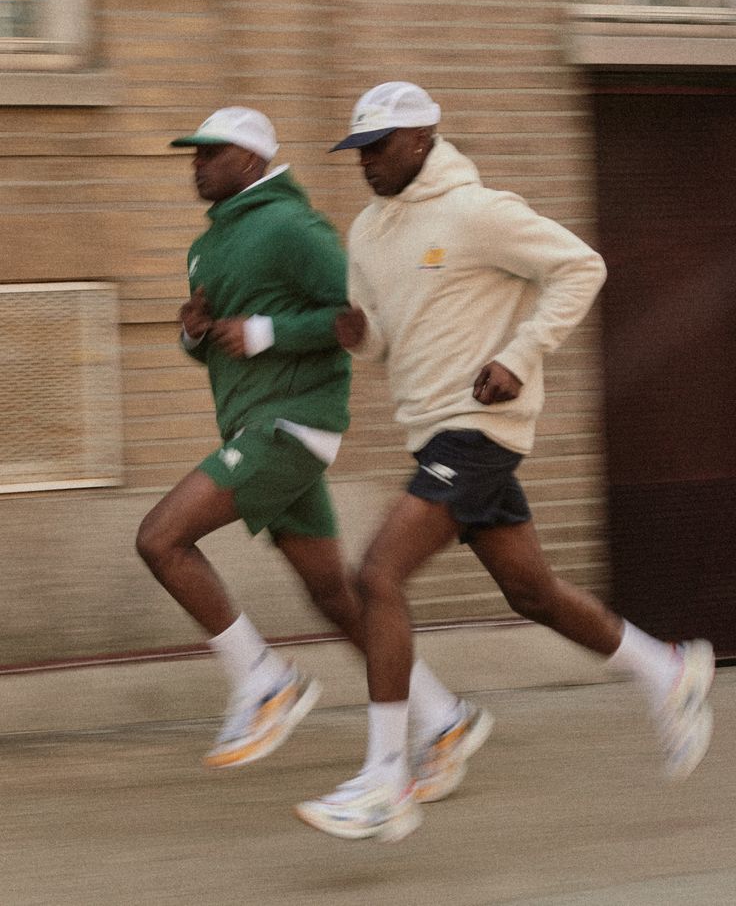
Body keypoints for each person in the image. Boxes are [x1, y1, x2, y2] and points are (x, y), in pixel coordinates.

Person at [295, 82, 715, 842]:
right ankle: (668, 670)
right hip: (431, 434)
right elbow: (384, 340)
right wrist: (359, 334)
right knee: (534, 593)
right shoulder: (366, 232)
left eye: (380, 146)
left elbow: (580, 267)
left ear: (423, 138)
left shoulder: (478, 211)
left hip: (478, 429)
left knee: (375, 576)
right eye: (358, 151)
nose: (366, 163)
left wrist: (520, 354)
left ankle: (387, 778)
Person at [136, 105, 489, 785]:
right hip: (252, 426)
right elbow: (220, 349)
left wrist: (268, 331)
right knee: (335, 595)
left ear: (252, 160)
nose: (197, 164)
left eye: (211, 153)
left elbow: (357, 317)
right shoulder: (207, 244)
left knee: (161, 537)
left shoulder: (293, 226)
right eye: (194, 154)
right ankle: (443, 716)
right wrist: (194, 333)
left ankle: (265, 681)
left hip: (292, 426)